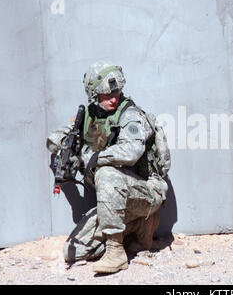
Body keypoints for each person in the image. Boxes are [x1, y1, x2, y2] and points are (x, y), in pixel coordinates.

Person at [46, 61, 170, 273]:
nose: (113, 98)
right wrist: (68, 150)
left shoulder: (130, 115)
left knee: (106, 173)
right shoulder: (89, 115)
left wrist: (89, 159)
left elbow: (131, 152)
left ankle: (116, 252)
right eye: (106, 94)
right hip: (115, 201)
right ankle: (140, 226)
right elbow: (52, 140)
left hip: (147, 192)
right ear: (94, 94)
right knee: (74, 252)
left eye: (116, 91)